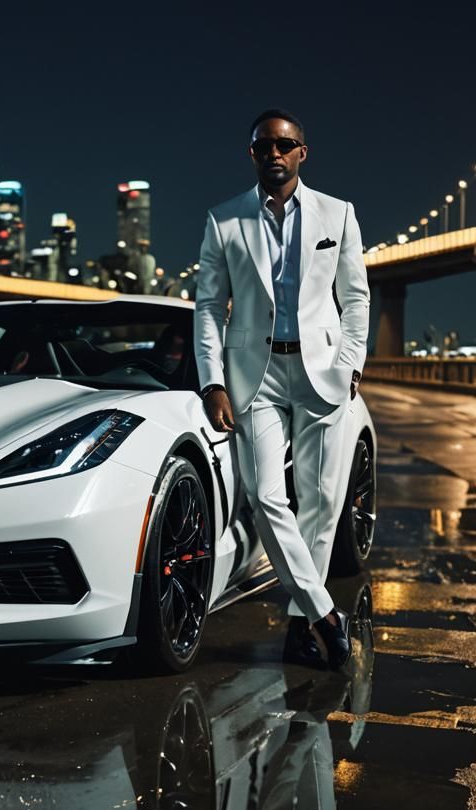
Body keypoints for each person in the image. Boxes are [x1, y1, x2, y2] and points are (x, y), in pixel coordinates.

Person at [193, 109, 370, 669]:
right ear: (251, 153)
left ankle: (299, 629)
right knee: (267, 494)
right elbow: (207, 307)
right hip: (254, 377)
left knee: (321, 503)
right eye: (264, 145)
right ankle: (324, 614)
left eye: (285, 144)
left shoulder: (338, 215)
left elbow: (356, 297)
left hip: (321, 372)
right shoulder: (224, 221)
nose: (274, 153)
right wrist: (212, 381)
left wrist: (350, 364)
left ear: (302, 153)